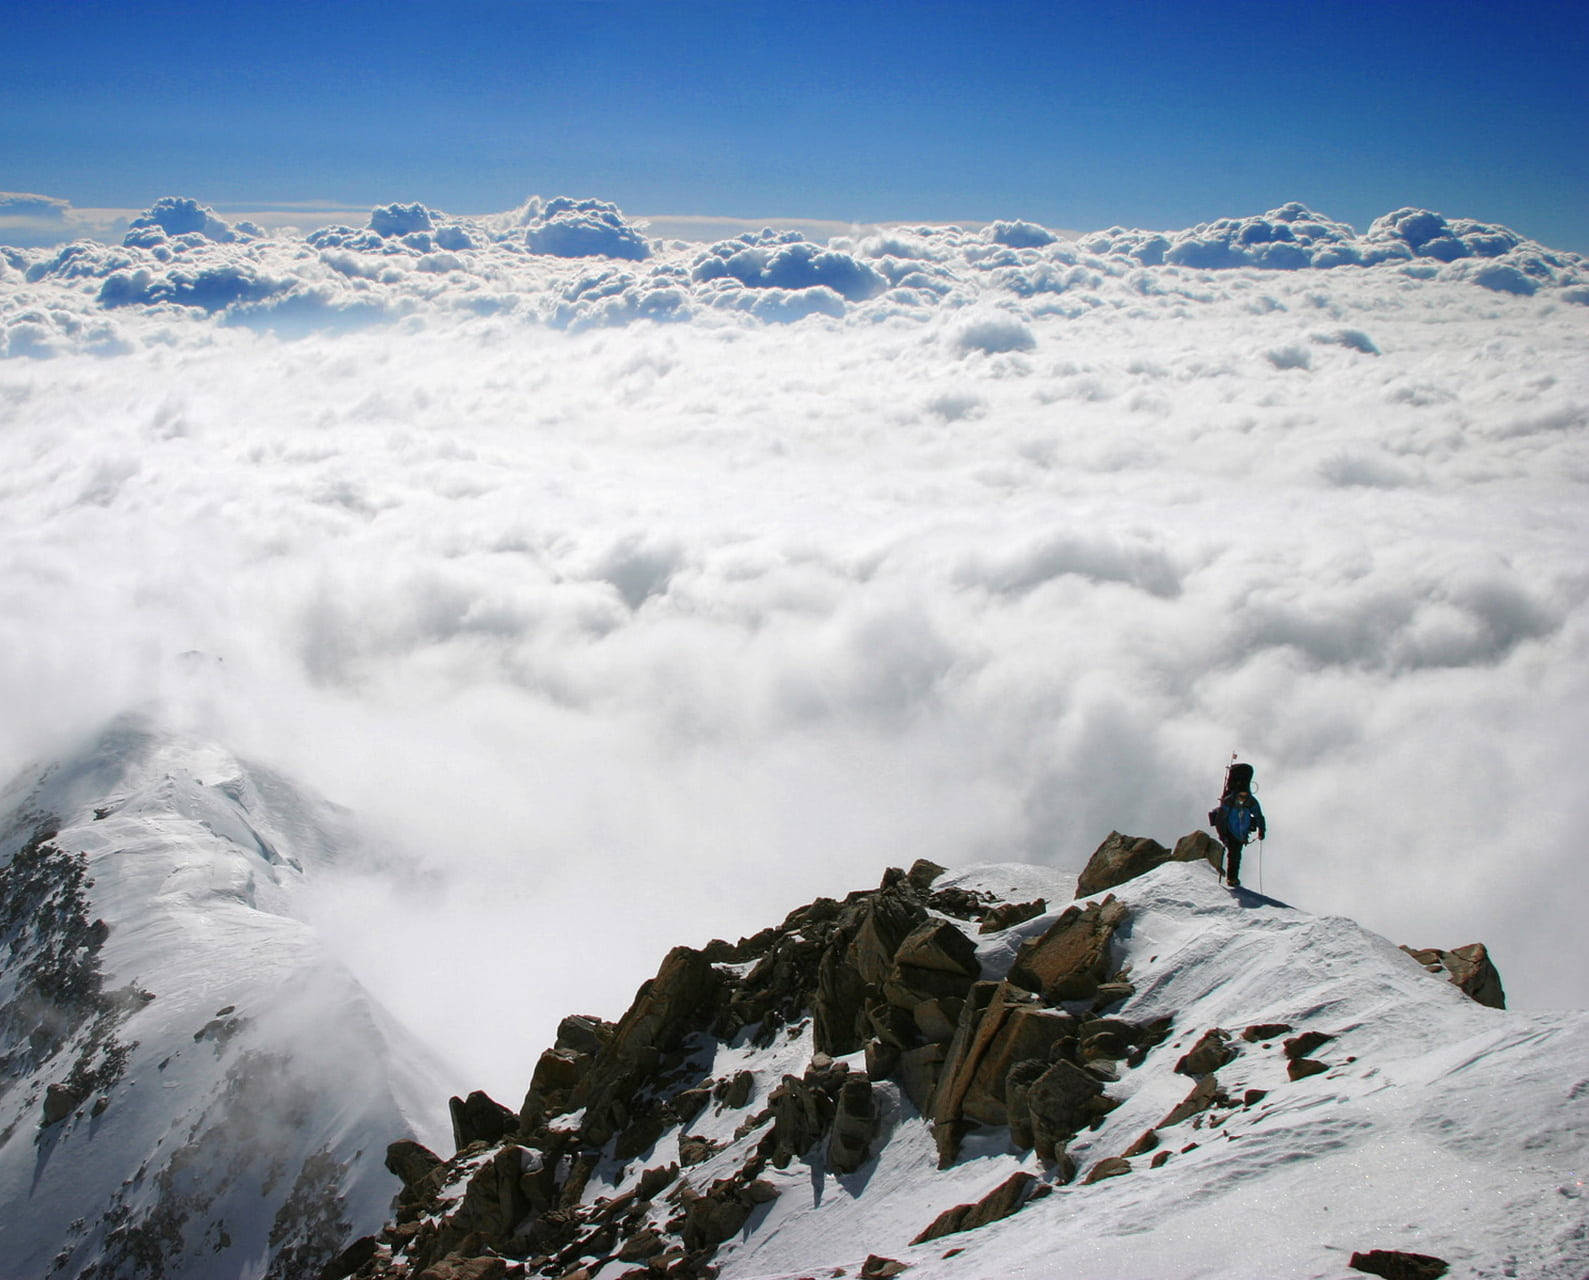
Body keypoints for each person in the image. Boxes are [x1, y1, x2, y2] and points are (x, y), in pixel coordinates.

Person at [1208, 761, 1266, 888]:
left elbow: (1221, 819)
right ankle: (1232, 879)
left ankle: (1232, 879)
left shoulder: (1230, 800)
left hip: (1232, 832)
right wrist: (1262, 831)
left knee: (1234, 854)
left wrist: (1222, 835)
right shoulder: (1249, 801)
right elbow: (1259, 816)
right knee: (1235, 855)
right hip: (1236, 833)